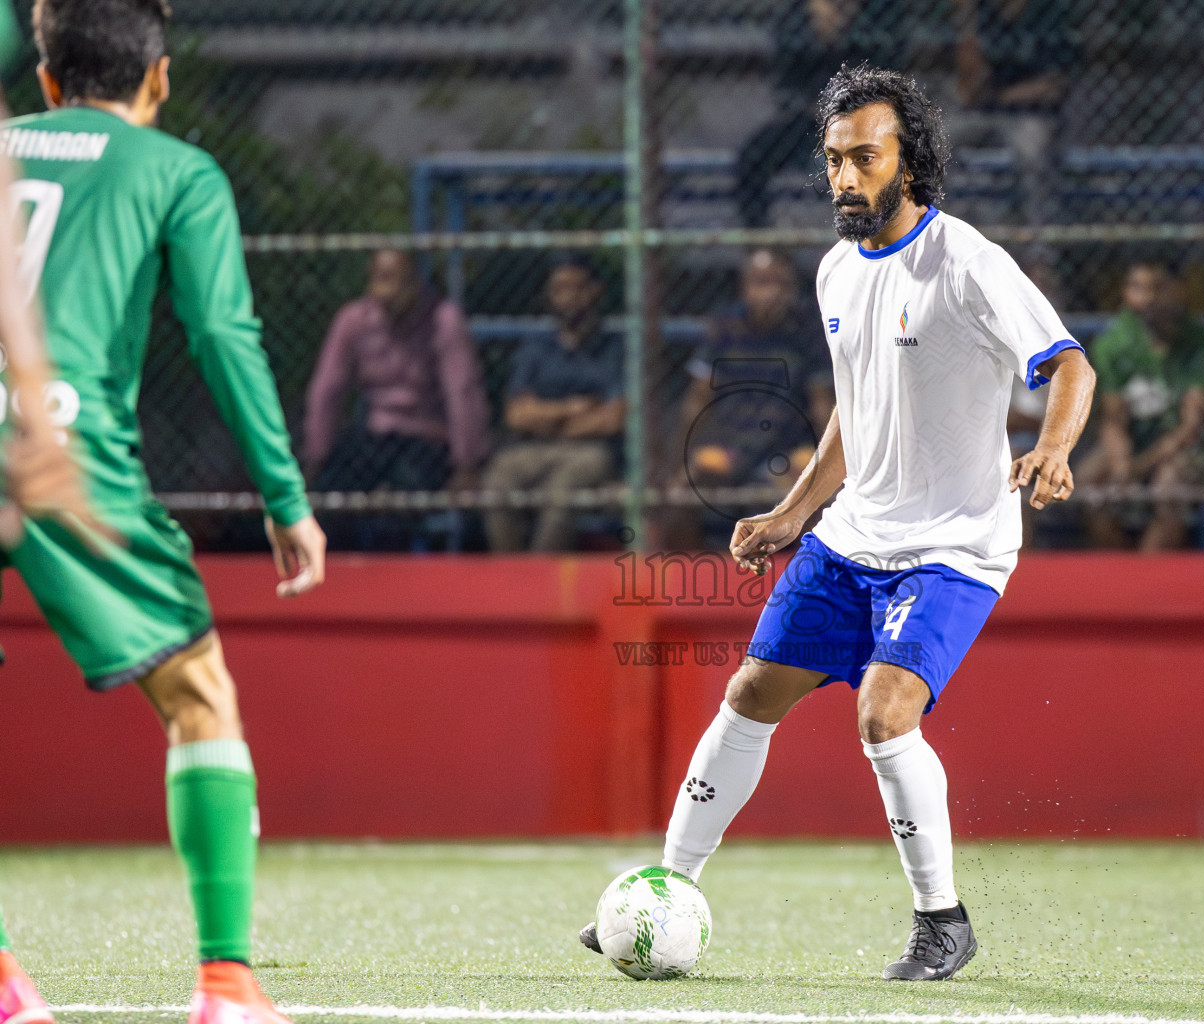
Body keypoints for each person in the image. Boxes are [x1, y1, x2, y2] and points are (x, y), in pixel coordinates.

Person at [580, 64, 1094, 981]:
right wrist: (791, 510)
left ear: (911, 161)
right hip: (851, 538)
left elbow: (1069, 367)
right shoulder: (832, 271)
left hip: (952, 547)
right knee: (747, 696)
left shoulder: (968, 262)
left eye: (864, 158)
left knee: (883, 712)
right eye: (832, 161)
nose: (844, 179)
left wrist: (1052, 449)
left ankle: (944, 922)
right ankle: (670, 886)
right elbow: (855, 416)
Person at [0, 3, 328, 1024]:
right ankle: (225, 984)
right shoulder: (176, 173)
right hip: (64, 449)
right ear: (162, 78)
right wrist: (284, 496)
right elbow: (223, 336)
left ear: (47, 80)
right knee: (198, 693)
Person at [669, 249, 834, 548]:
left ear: (792, 289)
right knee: (681, 490)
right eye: (760, 283)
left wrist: (825, 460)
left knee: (812, 490)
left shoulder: (807, 333)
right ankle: (695, 576)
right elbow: (698, 397)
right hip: (730, 446)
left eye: (778, 283)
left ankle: (800, 574)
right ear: (744, 288)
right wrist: (679, 456)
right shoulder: (724, 330)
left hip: (786, 449)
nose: (769, 293)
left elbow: (821, 403)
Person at [303, 248, 489, 499]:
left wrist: (467, 462)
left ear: (415, 282)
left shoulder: (443, 320)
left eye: (395, 280)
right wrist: (317, 454)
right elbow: (328, 389)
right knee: (333, 484)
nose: (386, 291)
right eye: (379, 279)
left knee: (405, 490)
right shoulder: (353, 320)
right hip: (375, 435)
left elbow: (463, 391)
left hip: (426, 437)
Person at [1078, 260, 1204, 551]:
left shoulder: (1203, 344)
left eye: (1158, 289)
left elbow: (1191, 427)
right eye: (1138, 288)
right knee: (1089, 482)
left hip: (1191, 448)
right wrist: (1121, 463)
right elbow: (1113, 418)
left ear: (1179, 292)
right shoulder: (1114, 343)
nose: (1147, 299)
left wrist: (1140, 466)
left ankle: (1151, 575)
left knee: (1168, 486)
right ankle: (1118, 574)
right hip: (1134, 440)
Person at [481, 255, 624, 552]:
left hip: (590, 451)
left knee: (560, 492)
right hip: (533, 448)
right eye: (560, 289)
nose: (569, 296)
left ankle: (537, 579)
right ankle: (510, 576)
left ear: (596, 291)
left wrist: (546, 419)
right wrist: (573, 409)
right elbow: (516, 415)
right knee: (498, 481)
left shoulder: (614, 347)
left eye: (578, 287)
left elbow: (613, 418)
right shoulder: (537, 347)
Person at [736, 0, 908, 228]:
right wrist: (820, 36)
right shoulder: (796, 19)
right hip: (808, 126)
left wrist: (846, 33)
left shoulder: (880, 14)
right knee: (754, 156)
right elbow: (788, 86)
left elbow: (890, 78)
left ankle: (882, 238)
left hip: (868, 127)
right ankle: (763, 248)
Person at [949, 0, 1079, 231]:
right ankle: (936, 237)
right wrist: (966, 23)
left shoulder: (1048, 14)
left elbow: (1054, 85)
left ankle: (1040, 247)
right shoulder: (983, 14)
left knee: (1031, 152)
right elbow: (969, 90)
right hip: (987, 113)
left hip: (1033, 115)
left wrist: (1002, 96)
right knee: (937, 139)